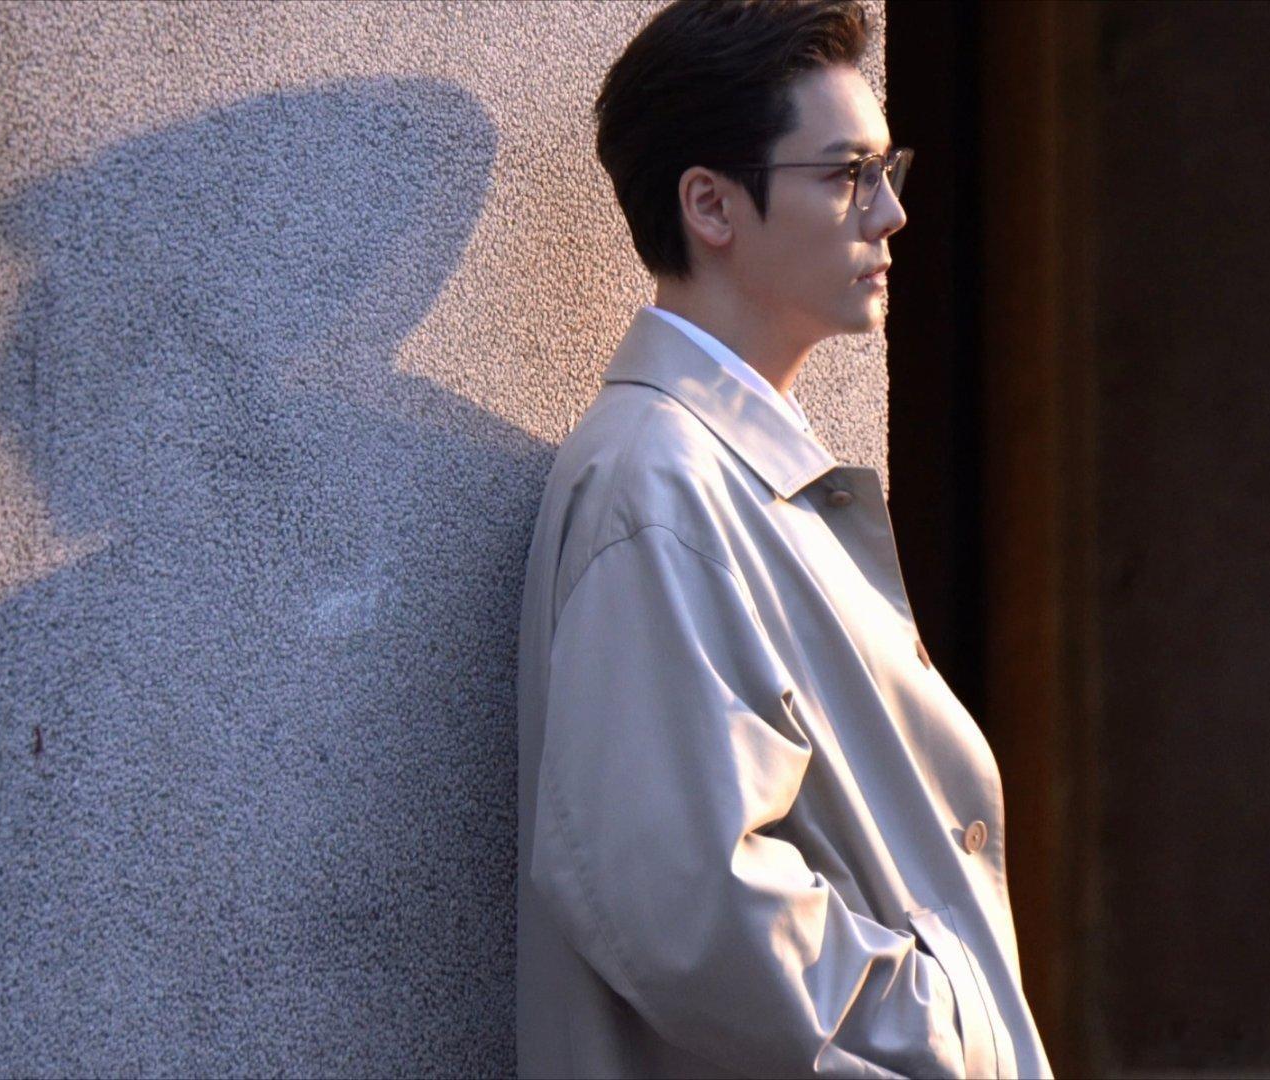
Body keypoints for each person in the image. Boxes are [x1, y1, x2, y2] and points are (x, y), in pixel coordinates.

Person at [515, 2, 1053, 1076]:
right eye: (848, 175)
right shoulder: (659, 487)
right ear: (710, 204)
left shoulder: (730, 474)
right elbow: (690, 900)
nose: (891, 212)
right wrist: (948, 1028)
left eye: (887, 168)